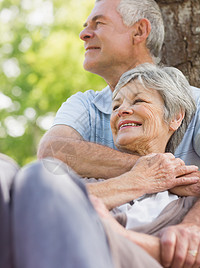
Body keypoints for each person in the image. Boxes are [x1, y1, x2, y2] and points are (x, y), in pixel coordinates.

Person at [37, 0, 200, 267]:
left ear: (139, 31)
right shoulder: (84, 105)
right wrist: (156, 173)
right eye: (116, 106)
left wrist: (193, 227)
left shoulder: (195, 102)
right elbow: (53, 152)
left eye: (98, 24)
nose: (84, 34)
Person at [10, 65, 199, 267]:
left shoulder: (189, 201)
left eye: (139, 101)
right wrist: (136, 180)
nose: (121, 111)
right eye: (115, 106)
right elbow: (35, 207)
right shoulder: (83, 184)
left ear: (175, 117)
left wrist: (116, 235)